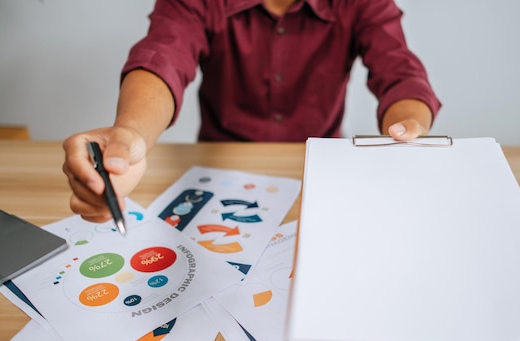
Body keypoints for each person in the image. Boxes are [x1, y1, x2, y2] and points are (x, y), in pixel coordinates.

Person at [62, 0, 441, 224]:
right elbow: (163, 57)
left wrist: (408, 127)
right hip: (218, 174)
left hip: (318, 177)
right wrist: (130, 134)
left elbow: (400, 72)